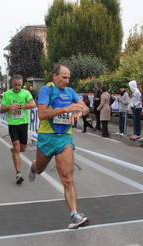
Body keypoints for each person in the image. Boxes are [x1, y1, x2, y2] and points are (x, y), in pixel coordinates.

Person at [27, 65, 90, 229]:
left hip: (64, 139)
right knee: (40, 169)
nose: (67, 81)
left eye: (68, 77)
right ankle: (33, 166)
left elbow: (86, 108)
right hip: (47, 138)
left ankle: (74, 215)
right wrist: (66, 109)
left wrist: (78, 113)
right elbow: (41, 114)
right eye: (64, 77)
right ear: (55, 76)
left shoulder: (71, 92)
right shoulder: (47, 91)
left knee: (68, 178)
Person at [0, 75, 36, 184]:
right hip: (13, 124)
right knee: (16, 146)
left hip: (24, 123)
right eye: (15, 85)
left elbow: (33, 104)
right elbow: (1, 110)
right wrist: (10, 107)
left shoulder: (25, 93)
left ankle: (15, 152)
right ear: (12, 84)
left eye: (19, 85)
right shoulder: (7, 94)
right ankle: (18, 174)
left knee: (23, 149)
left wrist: (20, 106)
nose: (17, 87)